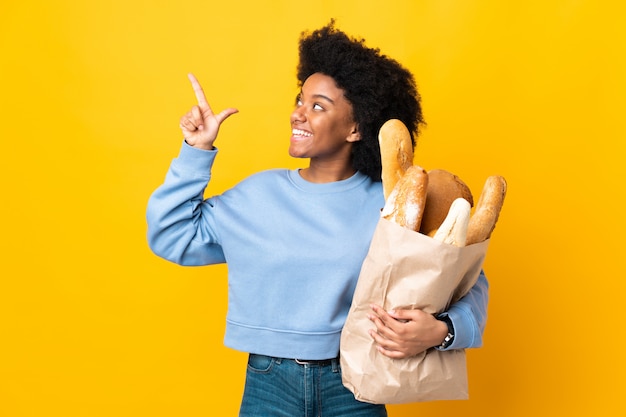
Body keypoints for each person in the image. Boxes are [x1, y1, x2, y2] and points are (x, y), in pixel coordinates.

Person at [147, 21, 488, 417]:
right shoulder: (257, 196)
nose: (298, 114)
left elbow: (466, 280)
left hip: (356, 383)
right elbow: (172, 235)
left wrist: (443, 332)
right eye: (299, 100)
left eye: (318, 106)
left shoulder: (392, 204)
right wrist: (195, 149)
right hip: (268, 383)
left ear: (357, 127)